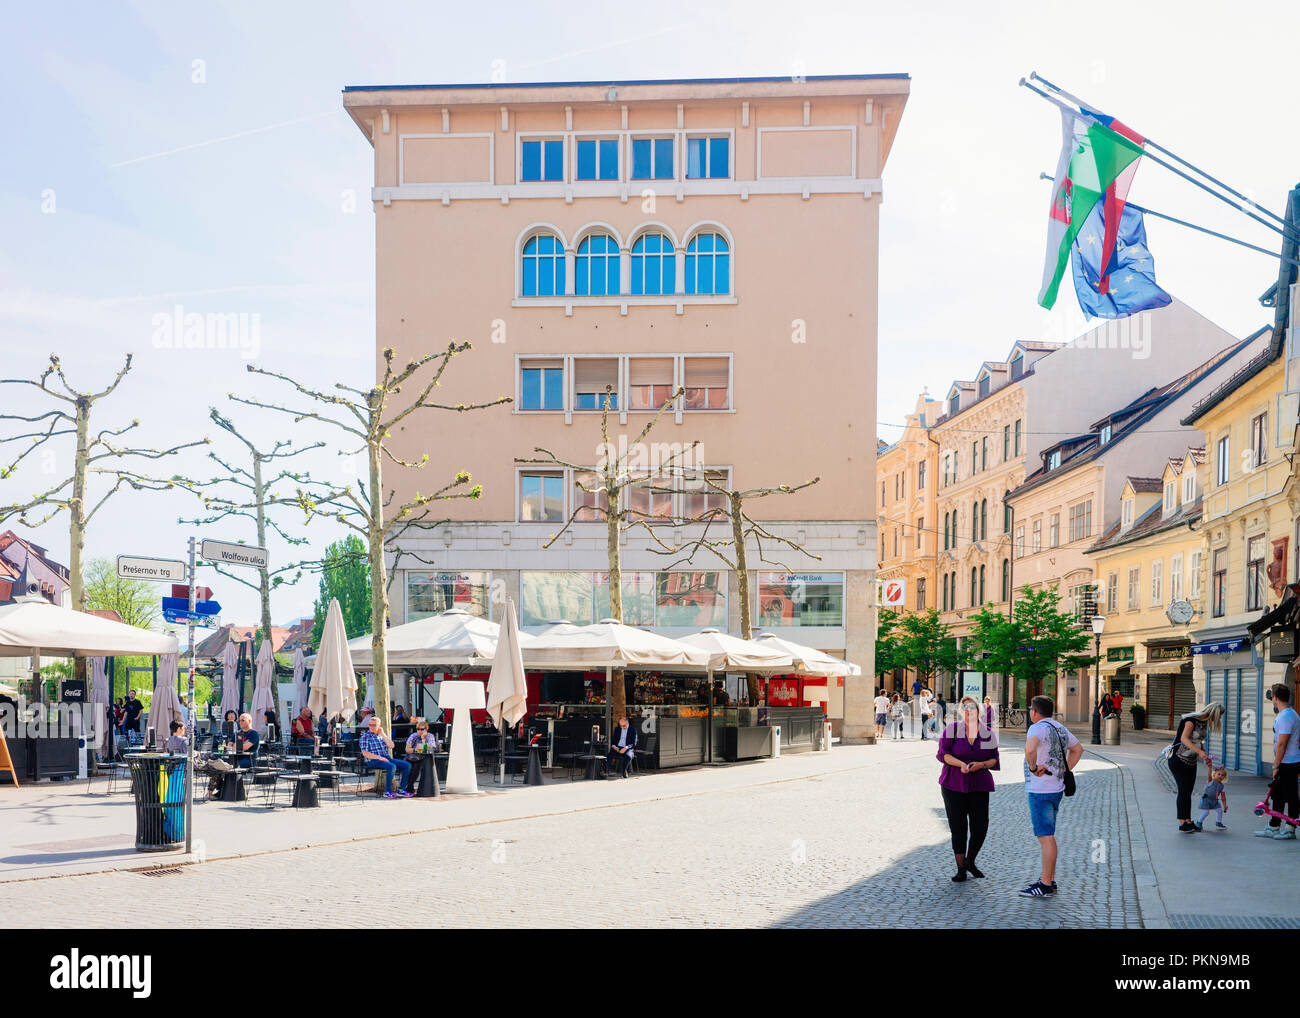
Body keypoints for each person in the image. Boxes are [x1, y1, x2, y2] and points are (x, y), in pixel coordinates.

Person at [1020, 695, 1083, 898]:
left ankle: (1045, 884)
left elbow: (1030, 748)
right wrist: (1064, 770)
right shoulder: (1059, 727)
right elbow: (1077, 749)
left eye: (1031, 709)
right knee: (1048, 835)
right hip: (1056, 788)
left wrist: (1032, 767)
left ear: (1035, 712)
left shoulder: (1037, 728)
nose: (1031, 712)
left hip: (1041, 789)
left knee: (1046, 837)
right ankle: (1050, 879)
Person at [937, 697, 1000, 881]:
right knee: (958, 828)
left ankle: (970, 861)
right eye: (964, 708)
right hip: (953, 784)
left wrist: (981, 764)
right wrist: (960, 764)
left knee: (980, 827)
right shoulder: (952, 729)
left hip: (979, 785)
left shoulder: (987, 733)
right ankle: (961, 869)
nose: (968, 711)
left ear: (978, 711)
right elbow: (943, 754)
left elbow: (994, 759)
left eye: (971, 708)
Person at [1169, 702, 1224, 834]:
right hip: (1179, 759)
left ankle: (1188, 820)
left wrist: (1205, 755)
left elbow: (1198, 741)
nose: (1219, 720)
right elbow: (1184, 739)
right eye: (1219, 716)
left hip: (1191, 760)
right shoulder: (1190, 721)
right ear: (1213, 714)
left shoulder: (1204, 723)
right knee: (1183, 791)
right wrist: (1199, 753)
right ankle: (1182, 822)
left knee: (1187, 791)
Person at [1258, 685, 1299, 840]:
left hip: (1288, 762)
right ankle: (1274, 826)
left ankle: (1290, 828)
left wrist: (1276, 765)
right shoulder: (1288, 714)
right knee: (1278, 794)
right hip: (1287, 761)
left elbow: (1282, 743)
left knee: (1291, 795)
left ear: (1275, 698)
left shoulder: (1286, 716)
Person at [360, 714, 412, 798]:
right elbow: (365, 753)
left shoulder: (381, 736)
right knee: (392, 766)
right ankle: (387, 791)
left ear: (379, 726)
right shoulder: (365, 737)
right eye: (370, 725)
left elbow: (391, 746)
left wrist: (383, 734)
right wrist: (380, 758)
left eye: (374, 725)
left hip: (386, 758)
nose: (371, 727)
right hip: (372, 760)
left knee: (407, 765)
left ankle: (401, 790)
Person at [1195, 764, 1228, 831]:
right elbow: (1209, 775)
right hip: (1206, 799)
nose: (1220, 776)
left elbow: (1223, 797)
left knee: (1220, 810)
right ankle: (1199, 822)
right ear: (1214, 774)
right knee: (1206, 812)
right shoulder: (1210, 781)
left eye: (1222, 775)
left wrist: (1225, 805)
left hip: (1214, 800)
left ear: (1224, 777)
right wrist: (1210, 768)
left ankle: (1218, 822)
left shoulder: (1222, 786)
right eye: (1218, 774)